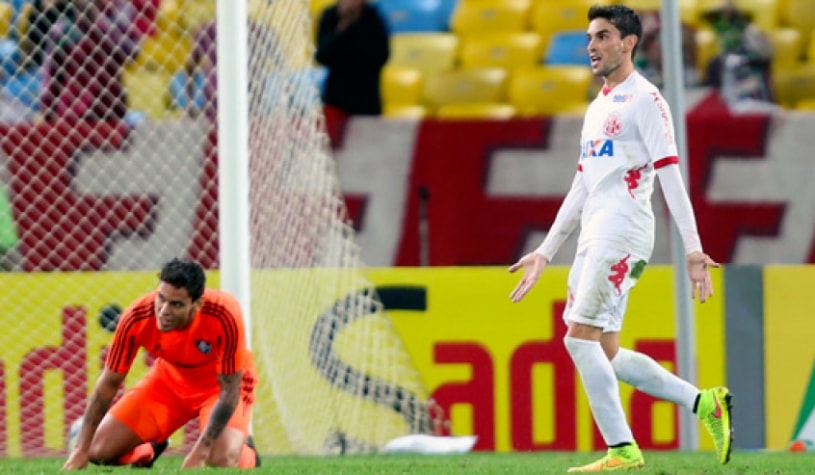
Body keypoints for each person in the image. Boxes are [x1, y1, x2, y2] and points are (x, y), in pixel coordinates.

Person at [508, 5, 732, 472]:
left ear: (629, 43)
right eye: (590, 37)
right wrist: (546, 251)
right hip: (595, 230)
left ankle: (622, 450)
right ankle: (706, 404)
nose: (591, 45)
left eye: (603, 36)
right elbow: (584, 184)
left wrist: (692, 247)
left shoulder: (646, 101)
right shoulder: (598, 106)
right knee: (604, 351)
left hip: (624, 229)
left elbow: (671, 175)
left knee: (577, 339)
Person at [62, 258, 260, 469]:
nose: (164, 310)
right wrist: (80, 450)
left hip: (219, 388)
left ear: (197, 304)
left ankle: (247, 453)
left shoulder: (224, 313)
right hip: (169, 382)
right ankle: (149, 449)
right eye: (161, 298)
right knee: (98, 451)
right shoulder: (137, 316)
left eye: (176, 304)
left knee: (219, 460)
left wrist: (200, 453)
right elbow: (109, 383)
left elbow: (230, 390)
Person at [41, 0, 141, 121]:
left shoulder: (111, 24)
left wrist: (100, 21)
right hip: (72, 113)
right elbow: (50, 76)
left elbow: (132, 53)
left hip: (109, 110)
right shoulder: (63, 30)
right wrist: (48, 111)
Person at [315, 0, 389, 116]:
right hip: (336, 98)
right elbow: (321, 55)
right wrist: (343, 27)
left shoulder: (372, 17)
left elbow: (381, 56)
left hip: (367, 98)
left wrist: (358, 25)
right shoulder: (330, 16)